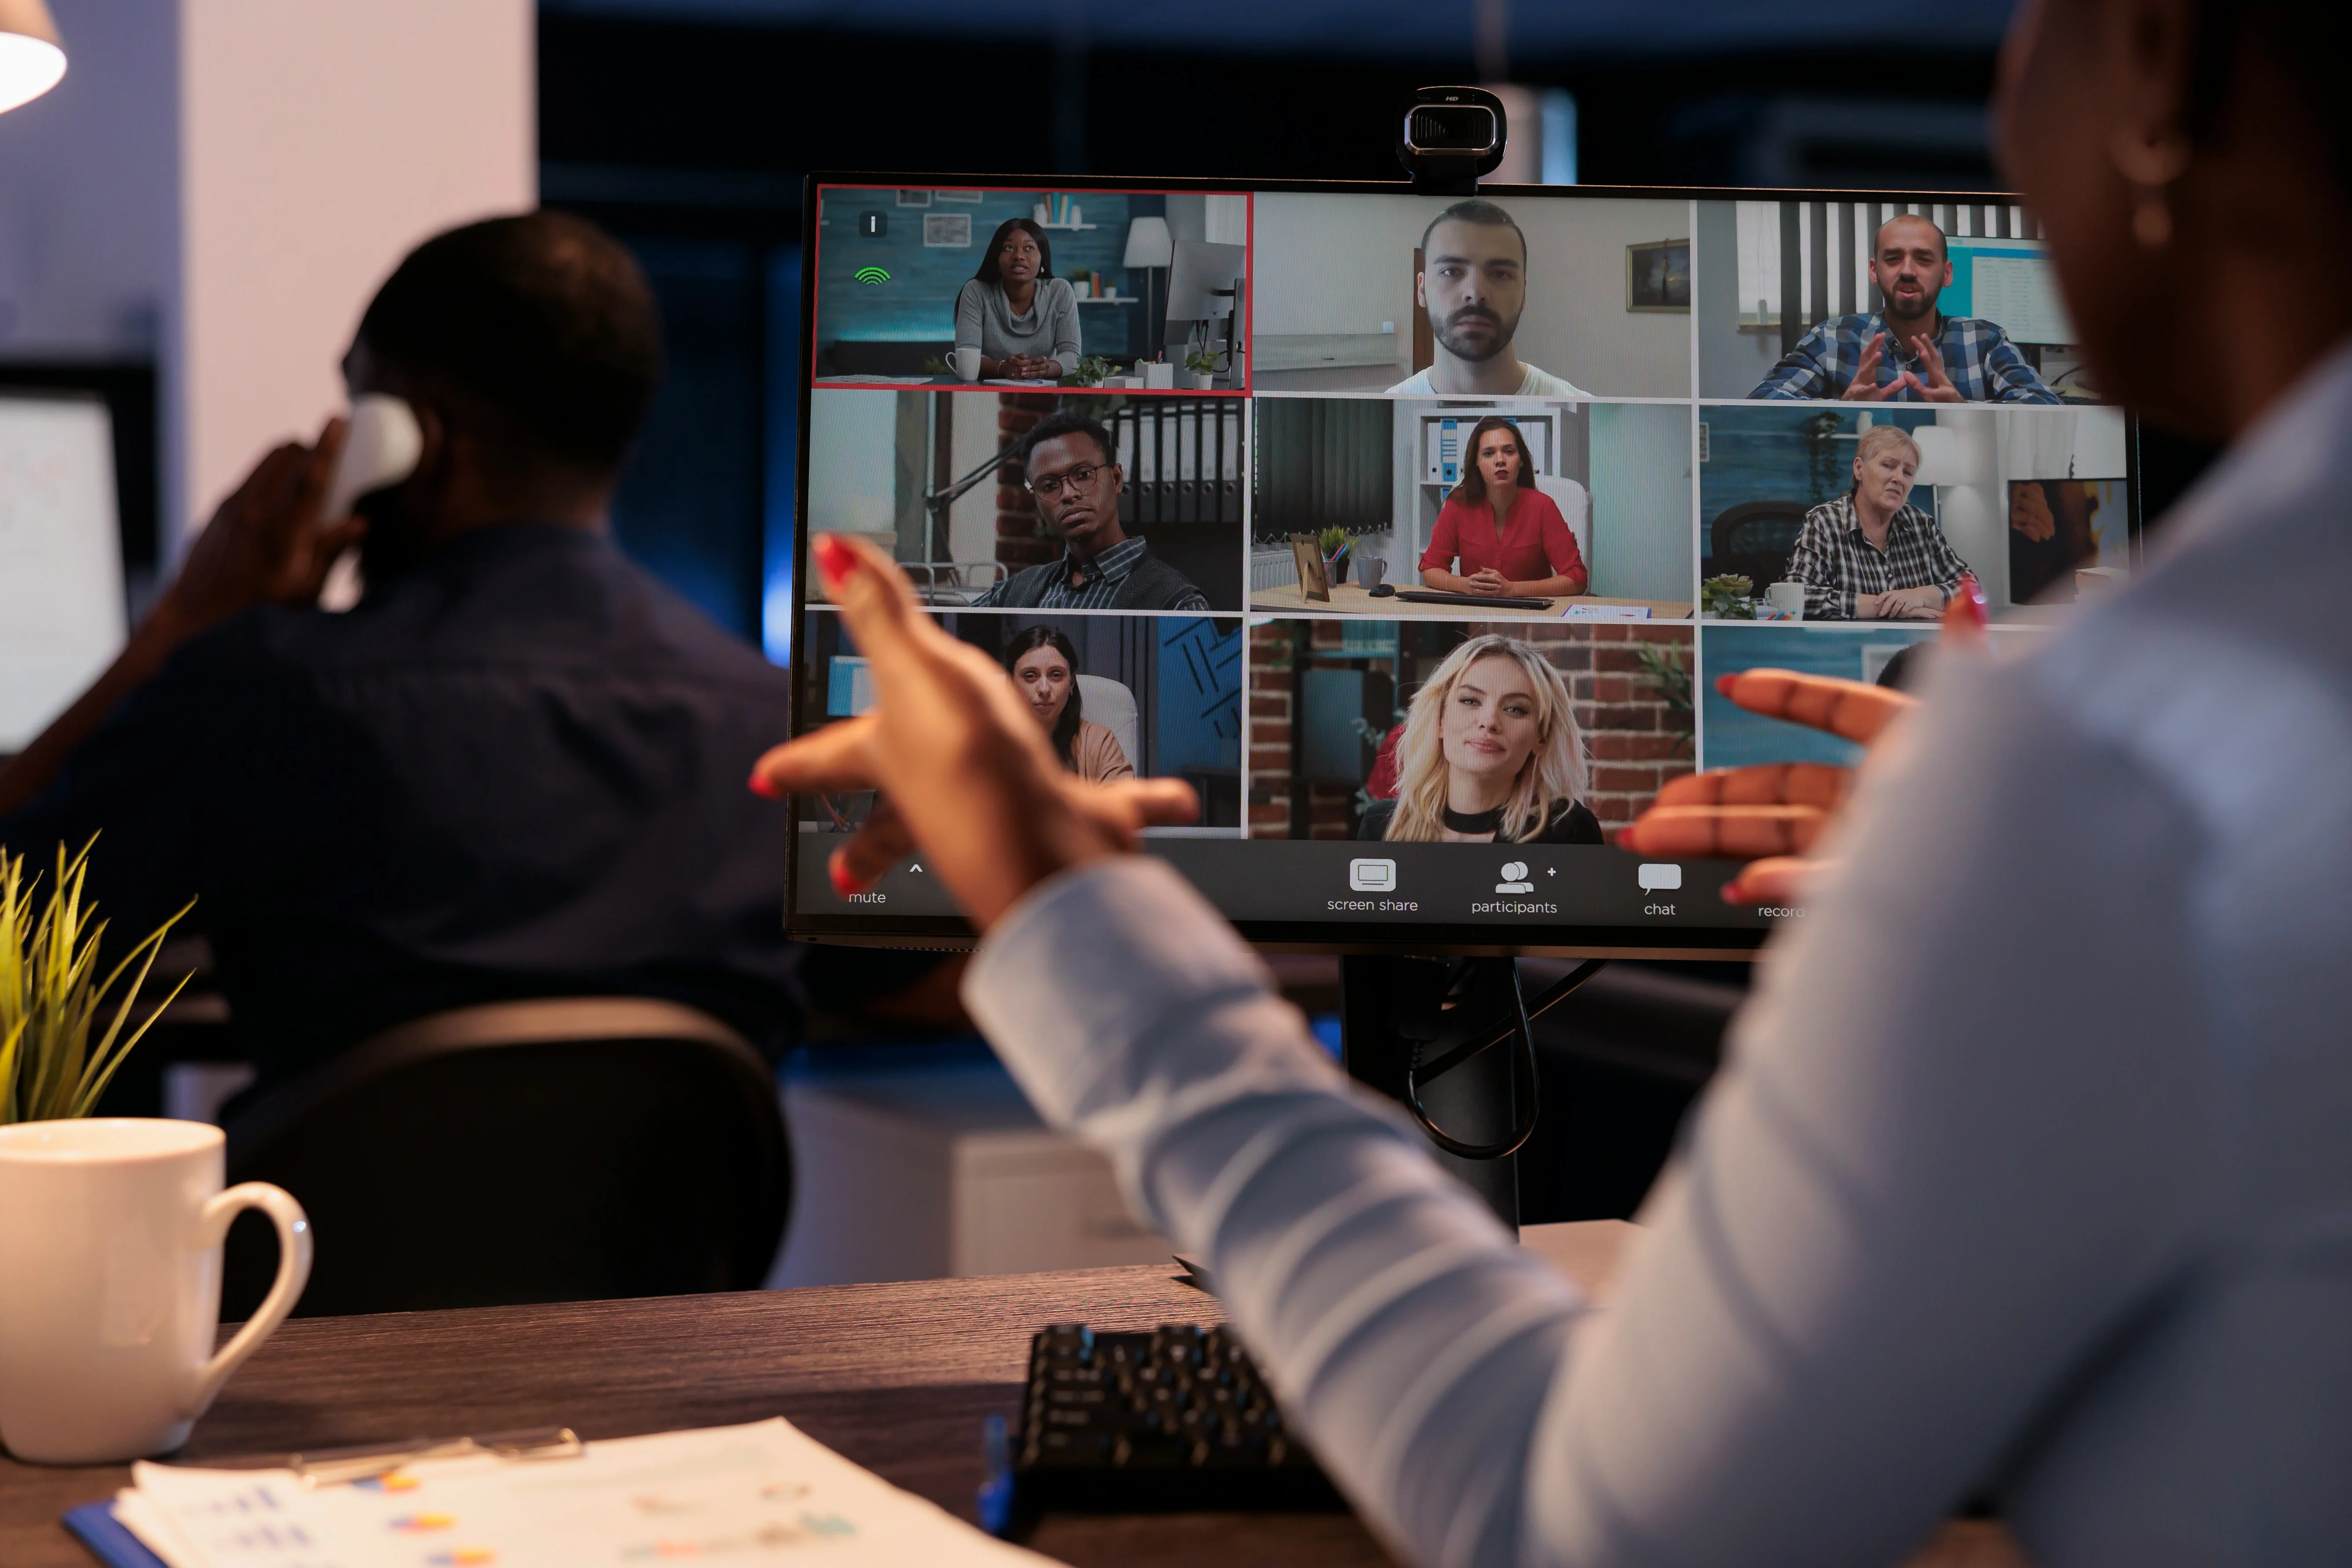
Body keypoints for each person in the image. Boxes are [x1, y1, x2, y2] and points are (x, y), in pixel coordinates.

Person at [753, 0, 2352, 1556]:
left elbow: (1582, 1530)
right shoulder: (2166, 766)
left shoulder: (2121, 767)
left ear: (2155, 50)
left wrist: (1057, 904)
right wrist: (2012, 929)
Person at [0, 212, 810, 1096]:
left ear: (412, 438)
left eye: (358, 404)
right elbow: (915, 981)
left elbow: (15, 924)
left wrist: (181, 623)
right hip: (674, 1241)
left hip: (315, 1236)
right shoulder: (779, 728)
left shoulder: (255, 693)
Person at [1750, 213, 2061, 403]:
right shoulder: (1832, 338)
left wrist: (1967, 414)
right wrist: (1841, 411)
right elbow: (1760, 404)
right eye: (1893, 258)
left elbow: (2045, 406)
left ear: (1948, 273)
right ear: (1874, 270)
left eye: (1924, 259)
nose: (1908, 270)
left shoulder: (1986, 341)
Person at [1358, 634, 1601, 845]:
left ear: (1541, 737)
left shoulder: (1567, 829)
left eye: (1515, 709)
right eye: (1470, 701)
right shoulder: (1381, 826)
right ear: (1440, 720)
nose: (1489, 722)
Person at [971, 410, 1210, 611]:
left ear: (1116, 479)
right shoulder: (1018, 591)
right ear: (1037, 500)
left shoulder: (1177, 602)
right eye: (1050, 486)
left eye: (1084, 475)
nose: (1068, 494)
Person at [1386, 200, 1592, 398]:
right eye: (1451, 272)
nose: (1475, 293)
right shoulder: (1391, 411)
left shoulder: (1583, 413)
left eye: (1500, 274)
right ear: (1421, 290)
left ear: (1524, 294)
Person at [1780, 423, 1971, 620]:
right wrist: (1889, 607)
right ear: (1859, 469)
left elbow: (1972, 590)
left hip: (1916, 648)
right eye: (1888, 465)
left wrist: (1919, 596)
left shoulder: (1921, 524)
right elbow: (1795, 598)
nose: (1899, 478)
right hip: (1848, 647)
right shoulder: (1824, 523)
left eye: (1908, 472)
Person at [1417, 416, 1589, 599]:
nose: (1500, 460)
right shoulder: (1458, 505)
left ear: (1520, 460)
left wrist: (1512, 590)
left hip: (1530, 618)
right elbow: (1431, 568)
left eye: (1508, 451)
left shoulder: (1543, 507)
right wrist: (1466, 586)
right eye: (1488, 454)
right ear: (1477, 463)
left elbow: (1576, 578)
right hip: (1475, 616)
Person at [954, 218, 1080, 382]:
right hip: (986, 398)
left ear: (1042, 258)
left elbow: (1073, 356)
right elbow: (966, 355)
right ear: (998, 260)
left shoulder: (1060, 292)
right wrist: (1001, 368)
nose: (1019, 256)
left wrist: (1044, 369)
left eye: (1029, 248)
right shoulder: (976, 291)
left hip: (1045, 396)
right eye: (1009, 248)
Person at [1004, 625, 1133, 784]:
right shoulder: (988, 743)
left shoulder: (1099, 742)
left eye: (1056, 675)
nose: (1044, 689)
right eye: (1030, 676)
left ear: (1071, 682)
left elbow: (1123, 804)